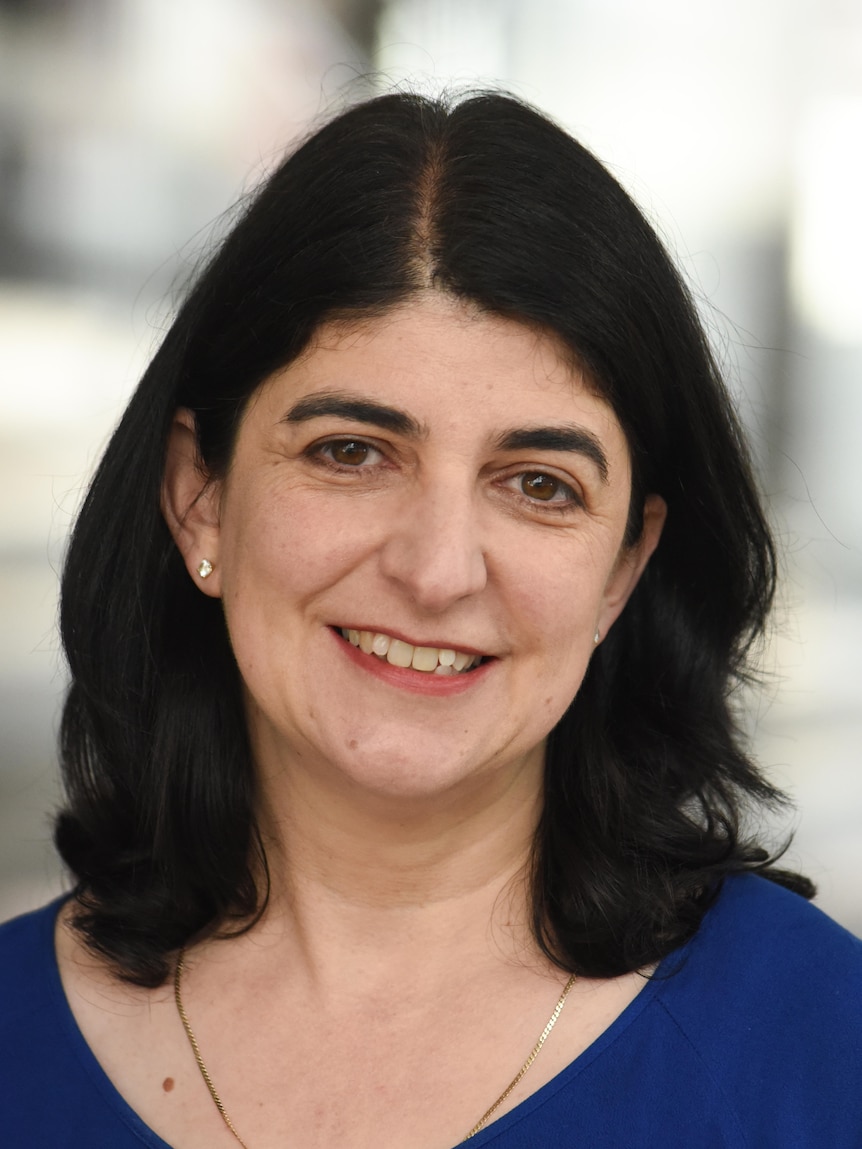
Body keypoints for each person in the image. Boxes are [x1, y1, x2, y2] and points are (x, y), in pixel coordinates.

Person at [1, 90, 860, 1149]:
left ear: (623, 568)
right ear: (199, 496)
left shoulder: (821, 1051)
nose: (437, 569)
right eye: (351, 453)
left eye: (538, 484)